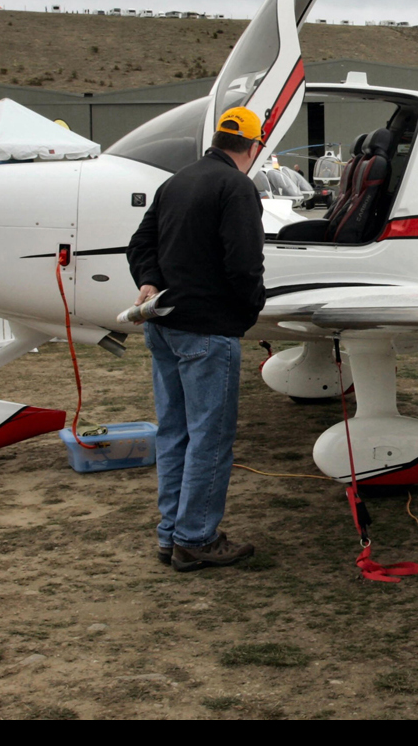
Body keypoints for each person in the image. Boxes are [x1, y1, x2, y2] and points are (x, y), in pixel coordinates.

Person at [127, 106, 268, 572]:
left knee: (174, 433)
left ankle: (171, 535)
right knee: (210, 437)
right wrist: (246, 315)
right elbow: (244, 264)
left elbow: (139, 244)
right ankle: (196, 539)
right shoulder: (237, 187)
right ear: (253, 146)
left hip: (162, 324)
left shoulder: (177, 181)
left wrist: (148, 280)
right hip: (208, 330)